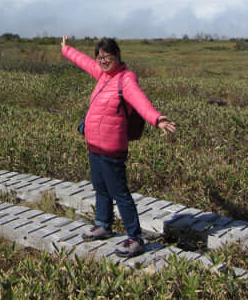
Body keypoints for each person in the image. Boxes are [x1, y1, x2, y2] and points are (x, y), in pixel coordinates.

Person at [61, 36, 176, 258]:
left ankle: (135, 238)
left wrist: (157, 118)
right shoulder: (103, 75)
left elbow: (141, 101)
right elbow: (84, 62)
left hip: (112, 147)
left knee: (120, 193)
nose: (103, 61)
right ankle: (103, 224)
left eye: (108, 57)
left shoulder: (126, 79)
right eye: (100, 57)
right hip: (94, 144)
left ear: (117, 56)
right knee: (100, 187)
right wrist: (66, 50)